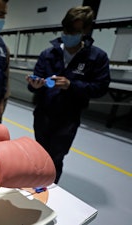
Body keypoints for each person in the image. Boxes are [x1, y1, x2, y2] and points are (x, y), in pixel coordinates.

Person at [26, 6, 111, 183]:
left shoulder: (96, 58)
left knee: (56, 158)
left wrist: (72, 85)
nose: (69, 34)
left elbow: (100, 87)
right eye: (66, 30)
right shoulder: (48, 54)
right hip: (43, 114)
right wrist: (35, 85)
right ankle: (34, 186)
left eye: (75, 31)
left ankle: (50, 190)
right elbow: (36, 83)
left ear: (86, 31)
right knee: (39, 153)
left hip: (68, 119)